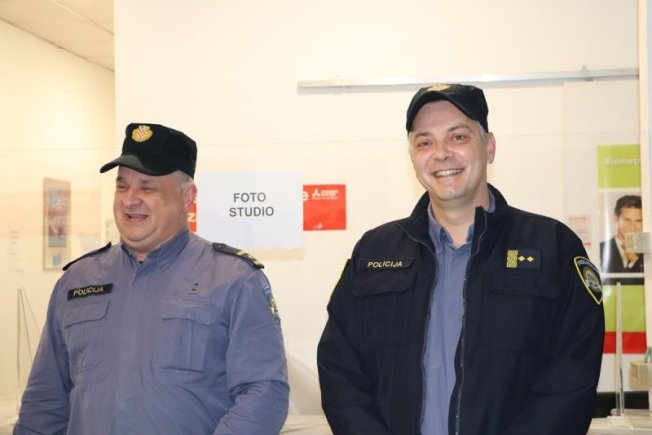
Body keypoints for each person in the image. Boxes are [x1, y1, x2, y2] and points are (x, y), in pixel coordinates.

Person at [317, 84, 605, 435]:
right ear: (412, 158)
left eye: (458, 137)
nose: (441, 154)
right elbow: (340, 370)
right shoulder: (375, 251)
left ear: (490, 146)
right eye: (425, 142)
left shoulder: (553, 247)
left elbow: (571, 377)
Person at [14, 123, 290, 435]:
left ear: (187, 197)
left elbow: (263, 393)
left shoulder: (234, 280)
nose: (130, 200)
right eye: (122, 187)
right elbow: (45, 401)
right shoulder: (77, 281)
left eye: (147, 188)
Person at [600, 195, 644, 273]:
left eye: (638, 221)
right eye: (627, 220)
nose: (632, 227)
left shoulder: (647, 252)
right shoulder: (601, 249)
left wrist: (634, 259)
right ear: (616, 218)